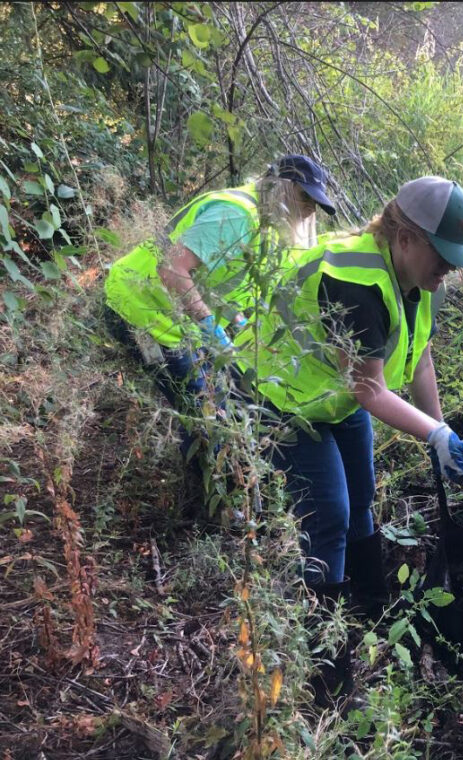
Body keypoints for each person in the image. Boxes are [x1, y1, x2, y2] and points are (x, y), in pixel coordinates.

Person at [234, 175, 463, 708]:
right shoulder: (355, 281)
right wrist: (433, 433)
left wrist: (441, 434)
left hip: (331, 391)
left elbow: (417, 355)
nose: (446, 273)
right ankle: (328, 673)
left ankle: (371, 615)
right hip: (278, 391)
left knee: (364, 499)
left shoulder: (417, 281)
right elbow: (371, 389)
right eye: (442, 258)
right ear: (406, 237)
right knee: (329, 513)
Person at [103, 155, 336, 507]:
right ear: (284, 191)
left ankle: (203, 496)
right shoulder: (236, 214)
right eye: (305, 201)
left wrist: (238, 324)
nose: (308, 213)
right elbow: (172, 270)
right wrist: (210, 327)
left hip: (172, 319)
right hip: (140, 312)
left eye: (315, 205)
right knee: (210, 414)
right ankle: (209, 509)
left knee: (210, 406)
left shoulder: (261, 223)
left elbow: (221, 278)